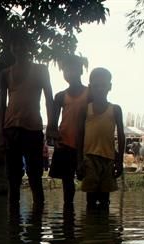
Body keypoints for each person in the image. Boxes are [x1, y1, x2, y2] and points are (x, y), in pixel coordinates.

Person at [0, 30, 54, 206]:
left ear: (30, 47)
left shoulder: (41, 70)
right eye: (16, 44)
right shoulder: (5, 73)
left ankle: (36, 225)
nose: (20, 47)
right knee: (13, 179)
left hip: (33, 129)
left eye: (24, 44)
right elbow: (1, 104)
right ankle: (13, 226)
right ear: (12, 48)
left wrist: (52, 125)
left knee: (35, 176)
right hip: (11, 129)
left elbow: (49, 99)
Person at [76, 67, 125, 209]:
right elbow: (79, 135)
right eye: (96, 86)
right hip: (89, 158)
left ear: (109, 87)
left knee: (105, 198)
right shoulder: (85, 109)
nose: (99, 89)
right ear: (90, 87)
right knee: (90, 199)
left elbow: (121, 136)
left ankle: (102, 229)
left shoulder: (115, 109)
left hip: (108, 158)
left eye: (103, 85)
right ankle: (92, 229)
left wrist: (119, 160)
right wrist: (79, 161)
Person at [48, 54, 89, 207]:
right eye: (65, 71)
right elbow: (52, 125)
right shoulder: (60, 96)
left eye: (72, 69)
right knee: (67, 184)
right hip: (65, 143)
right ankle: (68, 215)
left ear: (80, 70)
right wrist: (55, 138)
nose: (68, 74)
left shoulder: (90, 93)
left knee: (89, 181)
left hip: (86, 145)